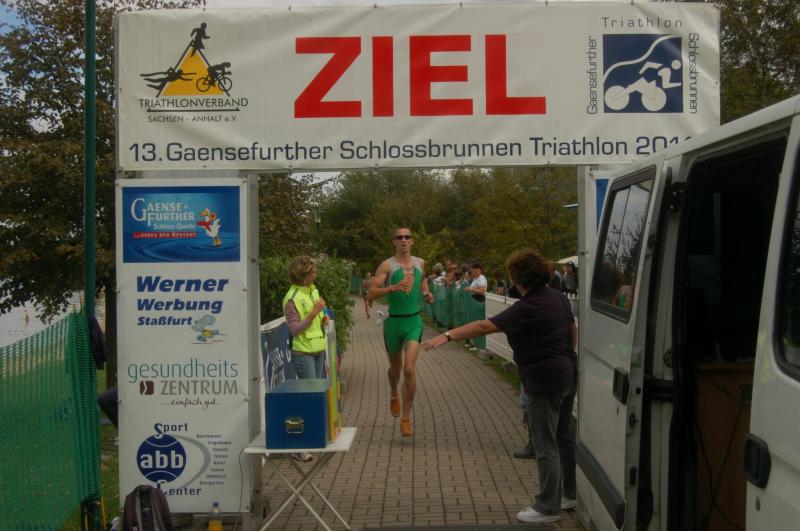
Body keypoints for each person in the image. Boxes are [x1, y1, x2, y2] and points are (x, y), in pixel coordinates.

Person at [423, 248, 578, 524]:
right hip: (567, 374)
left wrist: (447, 335)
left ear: (518, 279)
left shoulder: (526, 308)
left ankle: (547, 507)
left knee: (545, 444)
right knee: (564, 438)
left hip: (543, 381)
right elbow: (571, 329)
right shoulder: (558, 298)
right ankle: (568, 494)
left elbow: (485, 327)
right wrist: (567, 357)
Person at [367, 227, 434, 437]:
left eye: (407, 237)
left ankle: (405, 419)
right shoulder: (387, 265)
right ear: (394, 242)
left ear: (412, 241)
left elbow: (423, 280)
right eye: (399, 237)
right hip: (393, 324)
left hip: (414, 321)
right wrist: (392, 288)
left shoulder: (420, 262)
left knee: (409, 369)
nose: (404, 240)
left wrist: (426, 293)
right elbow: (371, 293)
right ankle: (394, 392)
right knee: (395, 369)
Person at [282, 255, 329, 462]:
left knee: (315, 396)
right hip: (303, 353)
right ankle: (297, 445)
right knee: (307, 398)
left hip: (318, 350)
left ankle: (310, 439)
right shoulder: (291, 298)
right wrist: (313, 314)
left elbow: (317, 318)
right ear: (303, 275)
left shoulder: (313, 290)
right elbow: (294, 330)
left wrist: (323, 318)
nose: (316, 274)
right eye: (313, 272)